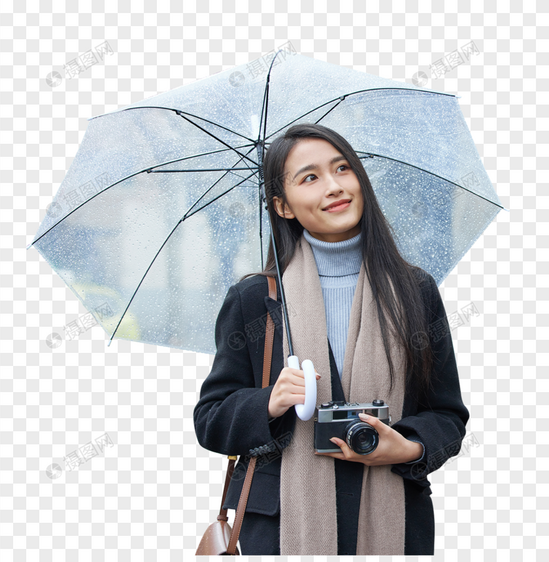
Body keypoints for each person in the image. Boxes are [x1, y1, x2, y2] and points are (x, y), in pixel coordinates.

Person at [193, 123, 469, 555]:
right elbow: (210, 420)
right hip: (284, 524)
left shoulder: (415, 291)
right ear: (282, 206)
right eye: (310, 177)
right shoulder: (256, 299)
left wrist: (409, 446)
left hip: (394, 516)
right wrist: (268, 400)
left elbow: (448, 416)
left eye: (343, 168)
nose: (335, 186)